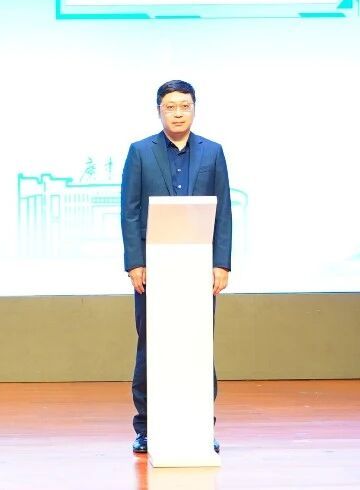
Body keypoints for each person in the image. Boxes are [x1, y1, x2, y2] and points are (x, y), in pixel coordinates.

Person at [119, 79, 232, 454]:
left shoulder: (213, 152)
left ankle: (201, 426)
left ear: (194, 109)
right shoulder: (140, 152)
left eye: (185, 106)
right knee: (151, 346)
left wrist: (221, 264)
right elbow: (130, 211)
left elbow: (223, 211)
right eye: (171, 107)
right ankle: (146, 428)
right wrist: (135, 262)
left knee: (197, 345)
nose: (178, 113)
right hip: (154, 270)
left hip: (198, 270)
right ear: (159, 111)